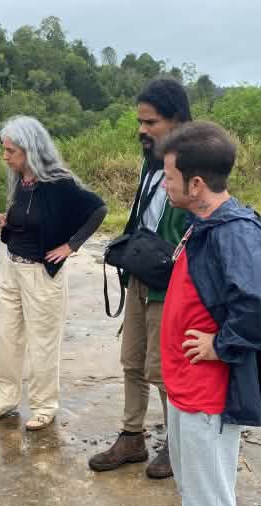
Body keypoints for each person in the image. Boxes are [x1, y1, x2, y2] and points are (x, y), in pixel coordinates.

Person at [141, 121, 261, 506]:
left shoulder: (235, 234)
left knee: (211, 483)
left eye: (169, 176)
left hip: (210, 388)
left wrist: (223, 345)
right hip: (185, 384)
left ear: (196, 184)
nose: (165, 184)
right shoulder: (204, 226)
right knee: (187, 469)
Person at [89, 79, 191, 479]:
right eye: (140, 122)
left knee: (165, 369)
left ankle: (176, 443)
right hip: (141, 277)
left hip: (171, 284)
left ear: (177, 120)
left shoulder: (193, 166)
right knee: (132, 360)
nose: (142, 130)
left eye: (151, 122)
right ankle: (132, 437)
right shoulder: (152, 167)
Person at [0, 115, 107, 431]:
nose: (5, 156)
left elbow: (98, 209)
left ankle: (43, 406)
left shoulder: (58, 182)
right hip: (11, 268)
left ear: (30, 149)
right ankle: (6, 399)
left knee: (43, 343)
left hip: (40, 274)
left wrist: (71, 246)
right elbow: (28, 220)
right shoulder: (21, 181)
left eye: (11, 150)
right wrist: (5, 221)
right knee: (8, 338)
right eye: (5, 149)